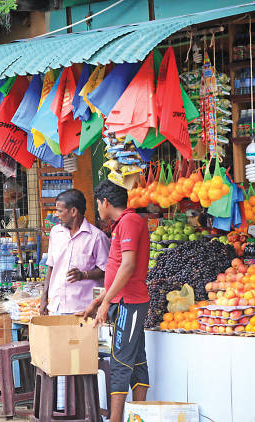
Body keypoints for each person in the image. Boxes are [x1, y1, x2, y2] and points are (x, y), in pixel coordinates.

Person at [81, 180, 150, 422]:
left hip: (129, 303)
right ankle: (141, 414)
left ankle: (115, 419)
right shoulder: (124, 223)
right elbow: (118, 271)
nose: (98, 210)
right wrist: (98, 301)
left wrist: (106, 302)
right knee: (136, 359)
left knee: (120, 361)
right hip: (125, 300)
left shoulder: (129, 222)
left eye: (97, 204)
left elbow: (128, 266)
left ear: (105, 202)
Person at [39, 189, 110, 316]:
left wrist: (84, 275)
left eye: (59, 211)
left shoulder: (97, 237)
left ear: (73, 211)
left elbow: (106, 271)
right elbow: (51, 267)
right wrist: (44, 298)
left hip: (83, 309)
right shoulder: (55, 233)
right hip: (56, 306)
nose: (56, 214)